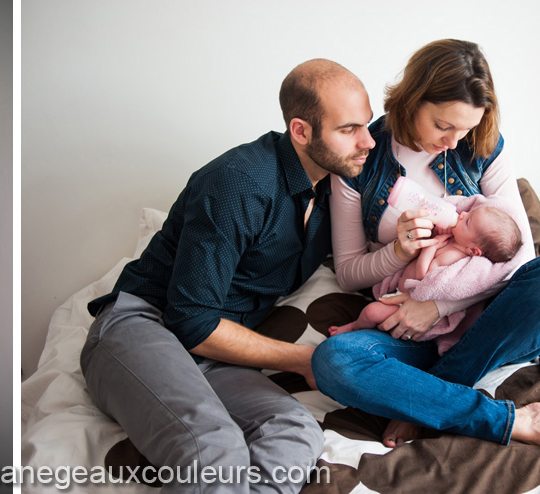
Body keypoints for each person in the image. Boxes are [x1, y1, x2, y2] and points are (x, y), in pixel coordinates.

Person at [80, 59, 375, 493]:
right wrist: (305, 360)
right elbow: (192, 321)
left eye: (366, 125)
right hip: (145, 326)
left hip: (218, 351)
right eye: (349, 129)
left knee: (296, 432)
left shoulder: (337, 187)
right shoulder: (238, 183)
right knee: (213, 447)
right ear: (301, 131)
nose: (367, 141)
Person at [310, 39, 540, 462]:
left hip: (485, 320)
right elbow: (348, 272)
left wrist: (436, 307)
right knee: (334, 361)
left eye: (465, 129)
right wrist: (398, 250)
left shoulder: (484, 146)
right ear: (412, 101)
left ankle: (427, 398)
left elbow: (520, 255)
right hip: (405, 331)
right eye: (442, 126)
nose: (454, 142)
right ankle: (515, 421)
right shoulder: (361, 156)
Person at [328, 204, 522, 341]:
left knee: (371, 312)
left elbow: (425, 277)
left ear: (473, 250)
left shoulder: (453, 257)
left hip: (411, 304)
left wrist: (431, 246)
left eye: (468, 222)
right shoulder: (454, 241)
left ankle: (354, 327)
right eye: (468, 213)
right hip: (400, 293)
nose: (462, 215)